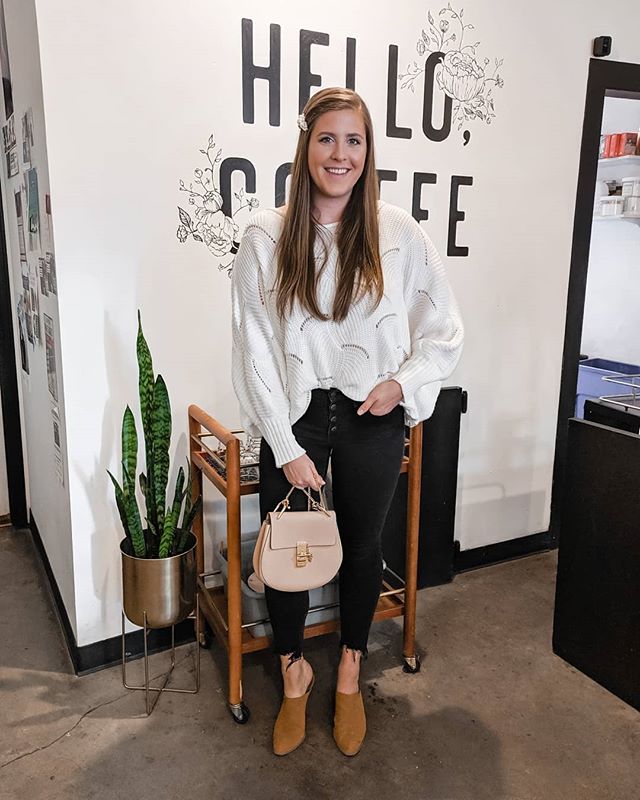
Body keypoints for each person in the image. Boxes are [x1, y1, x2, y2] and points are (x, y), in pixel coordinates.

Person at [231, 87, 464, 756]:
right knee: (288, 560)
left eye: (354, 140)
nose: (341, 153)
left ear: (369, 151)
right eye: (328, 138)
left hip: (371, 414)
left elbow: (442, 328)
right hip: (297, 416)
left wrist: (404, 383)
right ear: (305, 147)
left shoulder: (399, 233)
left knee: (363, 549)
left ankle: (351, 671)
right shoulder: (265, 236)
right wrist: (283, 445)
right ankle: (295, 674)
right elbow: (252, 350)